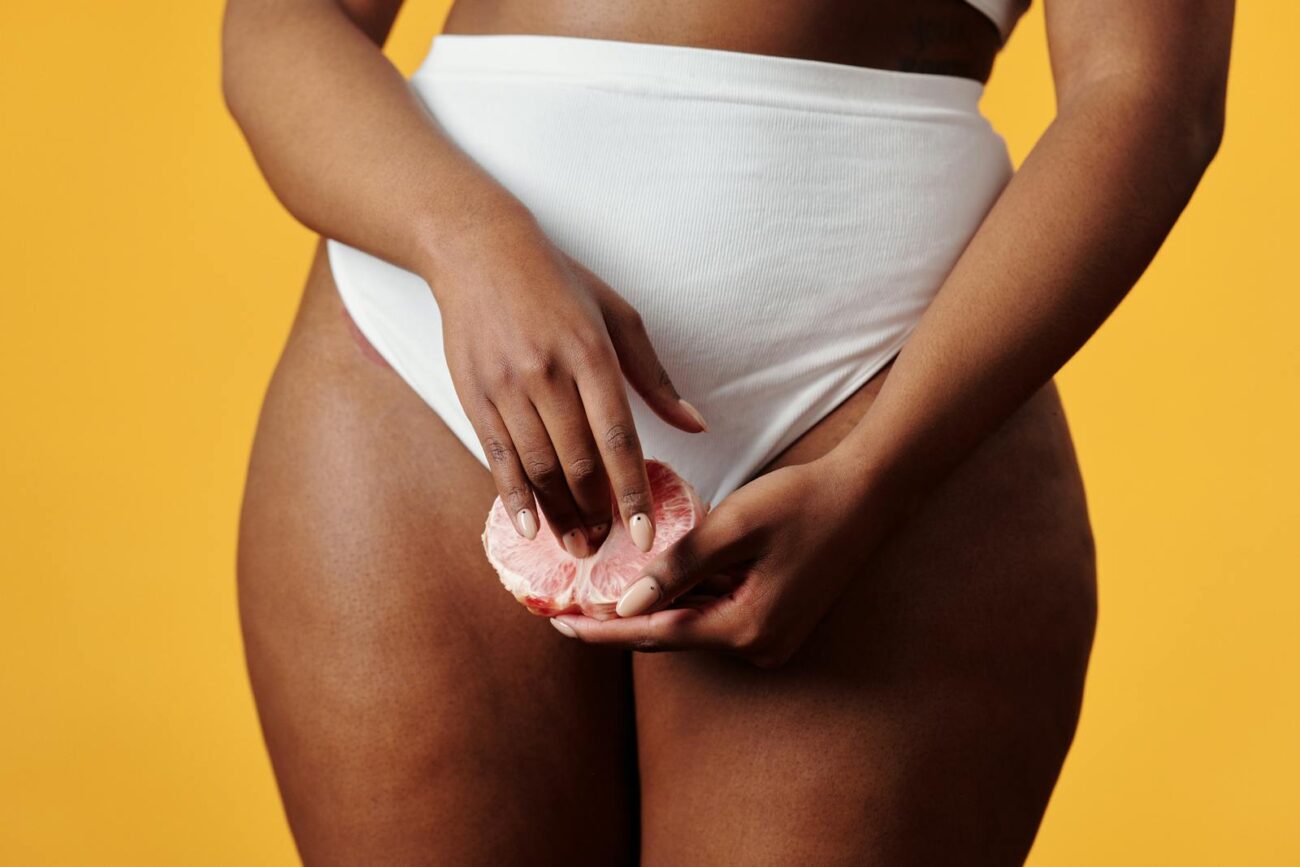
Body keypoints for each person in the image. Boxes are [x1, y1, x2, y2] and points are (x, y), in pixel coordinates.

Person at [223, 0, 1231, 862]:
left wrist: (873, 476)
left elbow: (1147, 91)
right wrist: (465, 244)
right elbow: (281, 17)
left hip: (876, 385)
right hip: (431, 334)